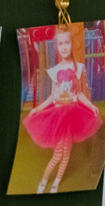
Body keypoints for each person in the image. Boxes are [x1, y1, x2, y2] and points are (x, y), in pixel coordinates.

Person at [27, 23, 100, 194]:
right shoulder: (55, 71)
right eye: (61, 43)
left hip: (72, 114)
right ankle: (44, 180)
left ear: (71, 44)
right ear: (57, 47)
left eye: (67, 42)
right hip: (59, 115)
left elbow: (79, 93)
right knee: (57, 154)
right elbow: (53, 96)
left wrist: (91, 105)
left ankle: (56, 182)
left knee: (66, 153)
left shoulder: (77, 67)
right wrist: (37, 109)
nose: (64, 47)